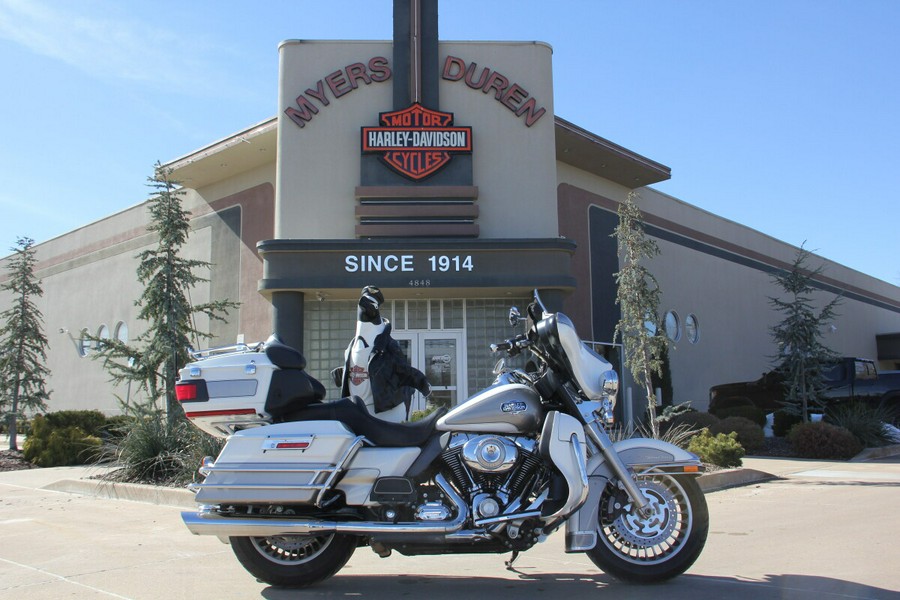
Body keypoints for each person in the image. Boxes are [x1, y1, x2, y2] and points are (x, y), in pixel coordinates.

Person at [334, 286, 430, 422]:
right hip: (359, 407)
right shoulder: (353, 344)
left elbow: (402, 370)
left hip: (387, 409)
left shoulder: (387, 345)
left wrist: (421, 382)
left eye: (371, 304)